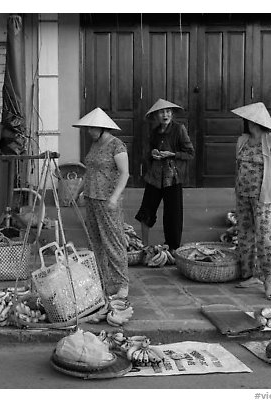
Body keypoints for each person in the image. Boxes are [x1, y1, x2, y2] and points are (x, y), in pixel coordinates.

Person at [231, 102, 271, 300]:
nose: (247, 123)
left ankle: (268, 282)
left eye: (250, 120)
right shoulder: (242, 141)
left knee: (265, 240)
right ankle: (249, 276)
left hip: (263, 199)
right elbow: (238, 167)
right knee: (245, 237)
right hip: (243, 197)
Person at [72, 107, 130, 300]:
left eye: (91, 128)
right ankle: (105, 281)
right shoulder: (95, 145)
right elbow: (89, 172)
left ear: (102, 128)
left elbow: (124, 173)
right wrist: (78, 191)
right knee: (95, 241)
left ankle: (122, 283)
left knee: (113, 242)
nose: (88, 132)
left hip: (107, 200)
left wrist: (114, 197)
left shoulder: (116, 145)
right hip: (91, 197)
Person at [135, 99, 195, 255]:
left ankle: (173, 248)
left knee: (173, 214)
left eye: (168, 111)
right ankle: (144, 245)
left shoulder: (179, 129)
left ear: (172, 114)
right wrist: (153, 153)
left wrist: (173, 154)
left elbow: (190, 153)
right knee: (146, 210)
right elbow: (148, 153)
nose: (165, 114)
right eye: (161, 112)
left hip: (172, 178)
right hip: (154, 177)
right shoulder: (154, 132)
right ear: (156, 115)